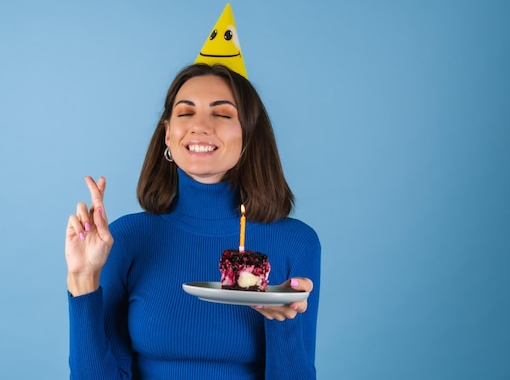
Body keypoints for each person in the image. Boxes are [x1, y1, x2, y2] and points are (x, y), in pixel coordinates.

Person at [65, 63, 321, 379]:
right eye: (186, 113)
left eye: (223, 114)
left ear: (249, 135)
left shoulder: (295, 243)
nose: (200, 126)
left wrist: (284, 321)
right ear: (168, 135)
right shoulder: (127, 238)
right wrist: (83, 279)